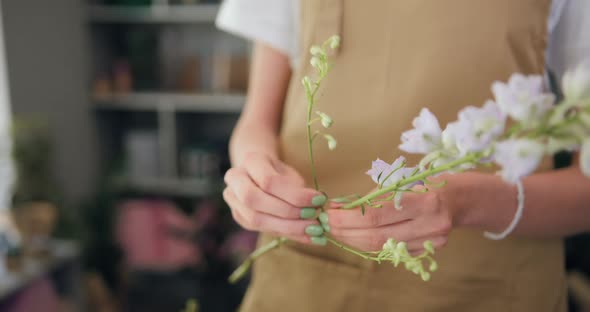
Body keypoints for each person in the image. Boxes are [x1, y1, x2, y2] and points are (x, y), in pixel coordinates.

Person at [217, 1, 590, 311]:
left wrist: (467, 202)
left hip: (487, 290)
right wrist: (253, 172)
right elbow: (256, 123)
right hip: (303, 281)